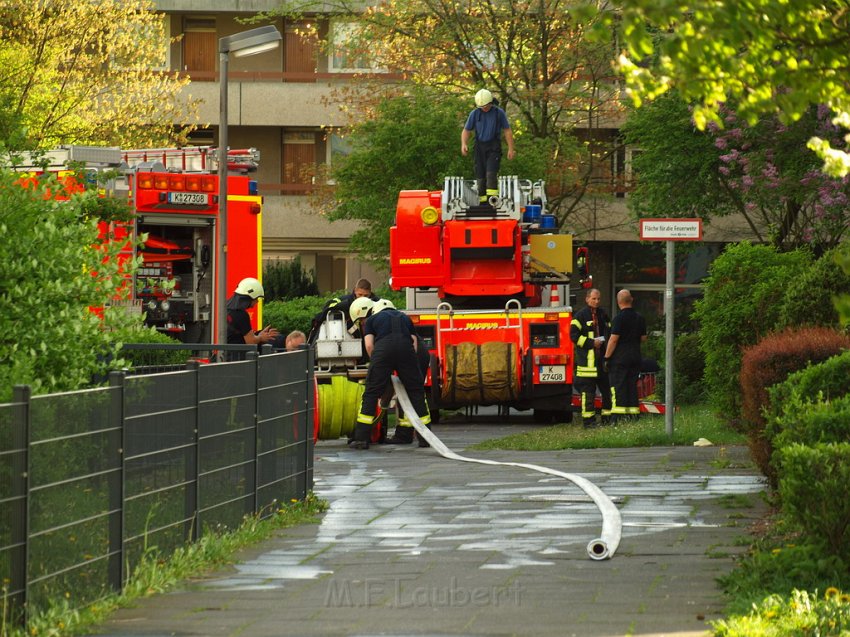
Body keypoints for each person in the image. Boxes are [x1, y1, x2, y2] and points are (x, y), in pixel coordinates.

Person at [349, 297, 431, 449]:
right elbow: (413, 344)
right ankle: (425, 438)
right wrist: (407, 364)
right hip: (406, 351)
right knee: (416, 392)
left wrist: (378, 365)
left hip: (383, 350)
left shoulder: (372, 320)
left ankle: (361, 439)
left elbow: (368, 345)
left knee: (371, 393)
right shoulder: (405, 318)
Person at [461, 88, 516, 204]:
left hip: (493, 147)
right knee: (480, 177)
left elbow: (507, 131)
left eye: (486, 106)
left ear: (491, 102)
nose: (484, 108)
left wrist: (511, 149)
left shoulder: (498, 113)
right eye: (481, 107)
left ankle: (492, 202)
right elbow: (466, 130)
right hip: (479, 147)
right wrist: (464, 144)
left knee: (491, 174)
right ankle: (482, 202)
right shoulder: (475, 114)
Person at [570, 288, 612, 428]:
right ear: (587, 299)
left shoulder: (603, 314)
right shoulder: (580, 316)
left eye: (598, 299)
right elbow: (574, 336)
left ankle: (607, 420)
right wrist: (591, 343)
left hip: (601, 363)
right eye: (594, 299)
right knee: (588, 396)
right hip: (587, 365)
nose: (596, 301)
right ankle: (589, 422)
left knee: (607, 393)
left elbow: (609, 332)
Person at [604, 289, 647, 422]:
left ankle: (618, 418)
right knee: (632, 386)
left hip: (620, 358)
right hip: (635, 357)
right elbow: (644, 338)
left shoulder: (619, 318)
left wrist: (606, 357)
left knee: (619, 387)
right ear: (631, 300)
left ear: (618, 302)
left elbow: (614, 339)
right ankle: (633, 416)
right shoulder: (640, 317)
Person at [307, 278, 379, 343]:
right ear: (355, 291)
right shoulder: (346, 300)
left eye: (366, 295)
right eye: (360, 295)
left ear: (370, 293)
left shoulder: (377, 303)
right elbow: (328, 306)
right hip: (350, 337)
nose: (362, 298)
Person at [226, 278, 279, 359]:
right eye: (257, 299)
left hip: (223, 356)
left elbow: (239, 335)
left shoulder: (225, 308)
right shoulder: (241, 314)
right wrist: (261, 337)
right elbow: (251, 341)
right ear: (251, 296)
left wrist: (258, 334)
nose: (257, 302)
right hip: (236, 359)